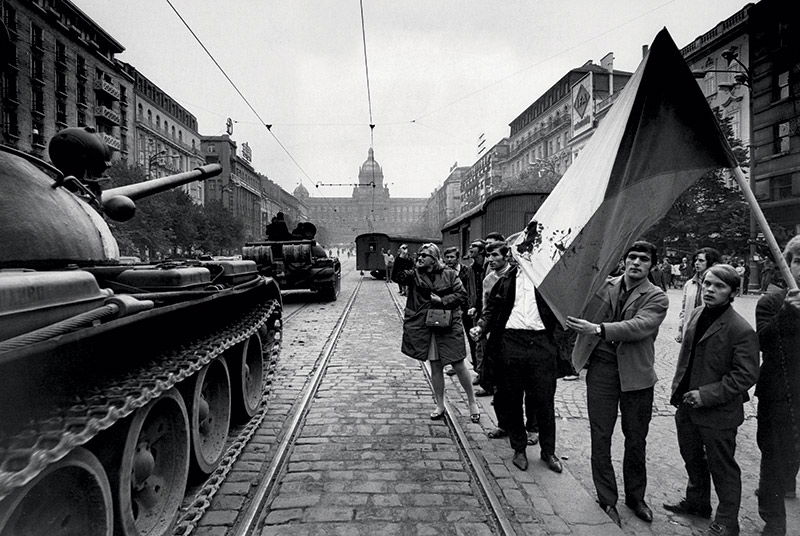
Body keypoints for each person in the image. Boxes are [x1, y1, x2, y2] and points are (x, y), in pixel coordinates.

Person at [566, 241, 668, 527]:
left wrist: (599, 329)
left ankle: (636, 498)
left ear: (652, 265)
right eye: (631, 257)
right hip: (602, 371)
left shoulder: (657, 296)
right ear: (623, 260)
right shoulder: (603, 285)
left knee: (636, 439)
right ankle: (606, 498)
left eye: (643, 259)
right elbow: (575, 303)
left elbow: (639, 326)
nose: (636, 263)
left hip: (636, 375)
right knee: (601, 436)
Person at [664, 264, 759, 536]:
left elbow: (745, 375)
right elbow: (687, 360)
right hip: (687, 406)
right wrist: (679, 394)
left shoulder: (740, 329)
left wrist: (705, 395)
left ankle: (728, 522)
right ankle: (697, 504)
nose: (709, 290)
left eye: (719, 286)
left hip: (718, 413)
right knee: (692, 457)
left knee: (722, 467)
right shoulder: (695, 314)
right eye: (707, 284)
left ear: (732, 292)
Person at [470, 230, 562, 474]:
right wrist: (481, 327)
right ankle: (519, 448)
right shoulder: (505, 280)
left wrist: (558, 342)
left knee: (544, 400)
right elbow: (491, 311)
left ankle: (548, 452)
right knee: (512, 398)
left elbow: (564, 311)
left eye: (523, 251)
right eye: (515, 252)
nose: (519, 256)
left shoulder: (548, 280)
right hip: (511, 343)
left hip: (541, 343)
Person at [392, 243, 480, 422]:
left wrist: (442, 300)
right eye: (419, 256)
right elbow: (397, 277)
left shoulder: (449, 274)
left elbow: (461, 295)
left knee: (457, 363)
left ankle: (472, 402)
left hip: (448, 324)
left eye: (424, 256)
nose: (420, 258)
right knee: (436, 365)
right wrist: (401, 257)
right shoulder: (415, 275)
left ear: (433, 258)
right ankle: (440, 404)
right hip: (427, 325)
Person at [755, 236, 800, 536]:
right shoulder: (771, 301)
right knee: (773, 457)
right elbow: (764, 341)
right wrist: (788, 312)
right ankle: (774, 522)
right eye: (798, 261)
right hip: (779, 395)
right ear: (787, 263)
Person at [677, 247, 722, 343]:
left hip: (708, 334)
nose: (697, 263)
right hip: (689, 332)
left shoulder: (718, 285)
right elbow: (684, 309)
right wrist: (680, 329)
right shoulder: (689, 284)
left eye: (701, 260)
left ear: (711, 263)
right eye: (696, 260)